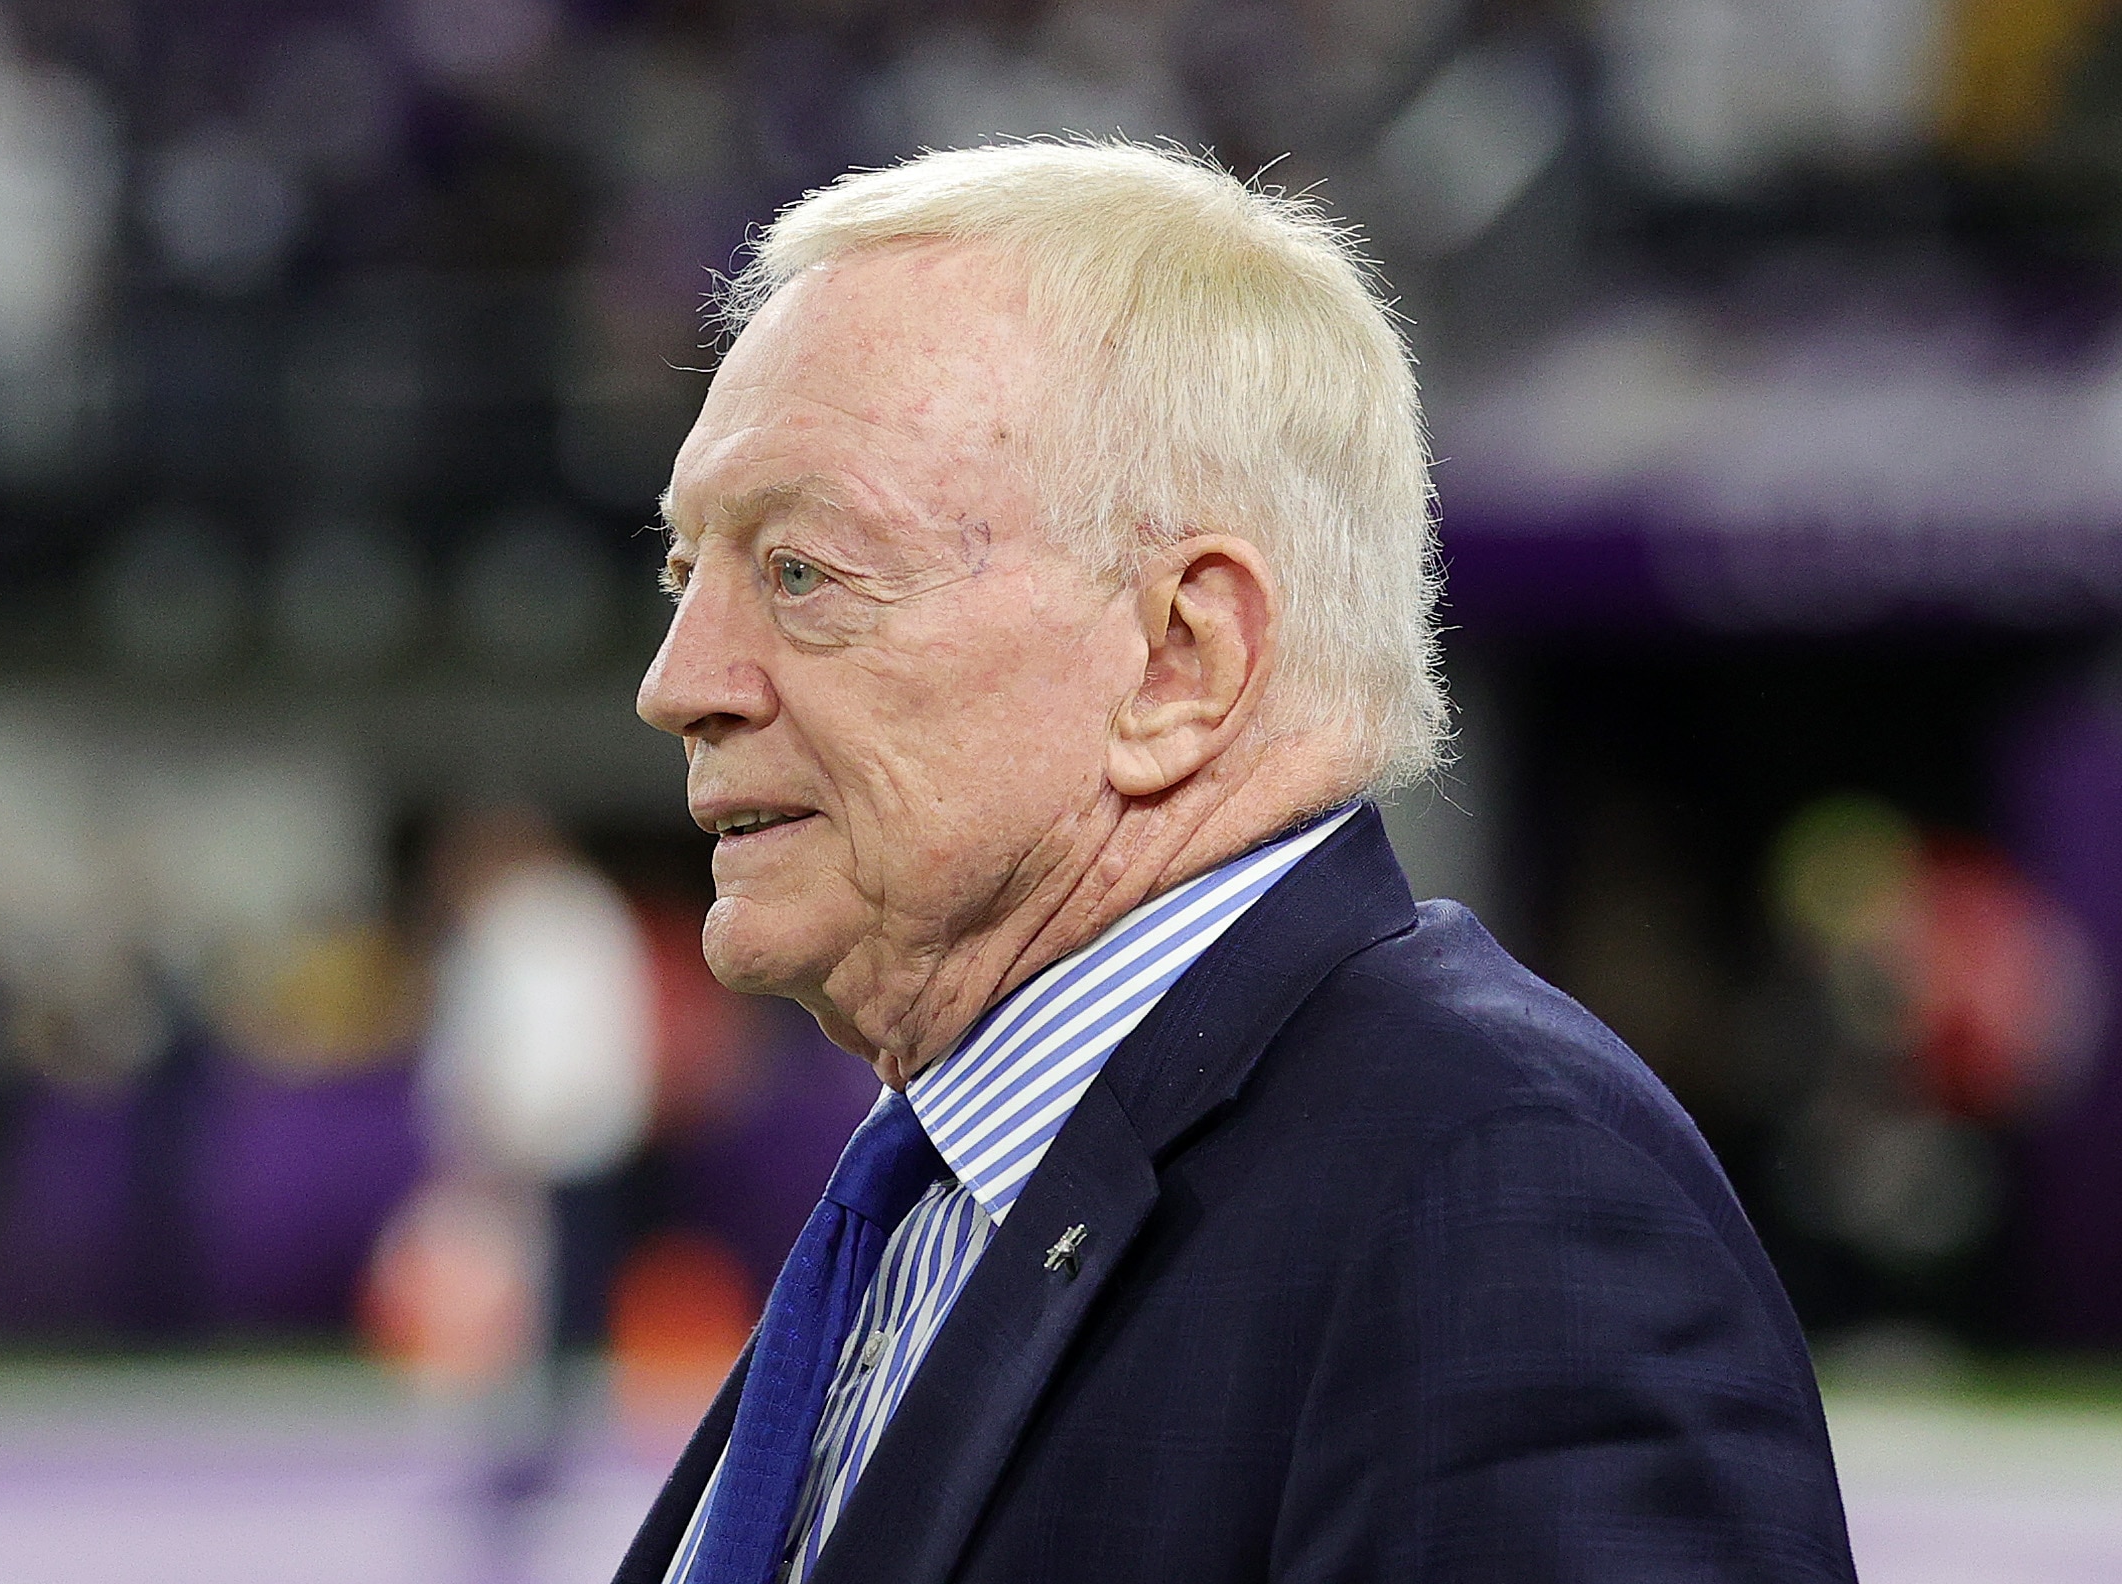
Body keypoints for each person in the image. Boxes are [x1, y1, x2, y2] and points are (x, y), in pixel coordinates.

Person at [618, 140, 1857, 1584]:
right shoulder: (937, 1195)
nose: (678, 679)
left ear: (1181, 662)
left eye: (801, 572)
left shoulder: (1503, 1198)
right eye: (682, 572)